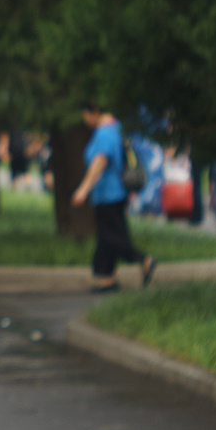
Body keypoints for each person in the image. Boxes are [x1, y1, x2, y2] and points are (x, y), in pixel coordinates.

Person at [71, 99, 159, 292]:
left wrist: (83, 189)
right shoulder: (116, 128)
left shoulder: (104, 133)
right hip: (114, 193)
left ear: (93, 112)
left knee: (110, 237)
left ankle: (143, 259)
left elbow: (99, 163)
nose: (85, 120)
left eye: (85, 115)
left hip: (108, 194)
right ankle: (107, 280)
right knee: (106, 239)